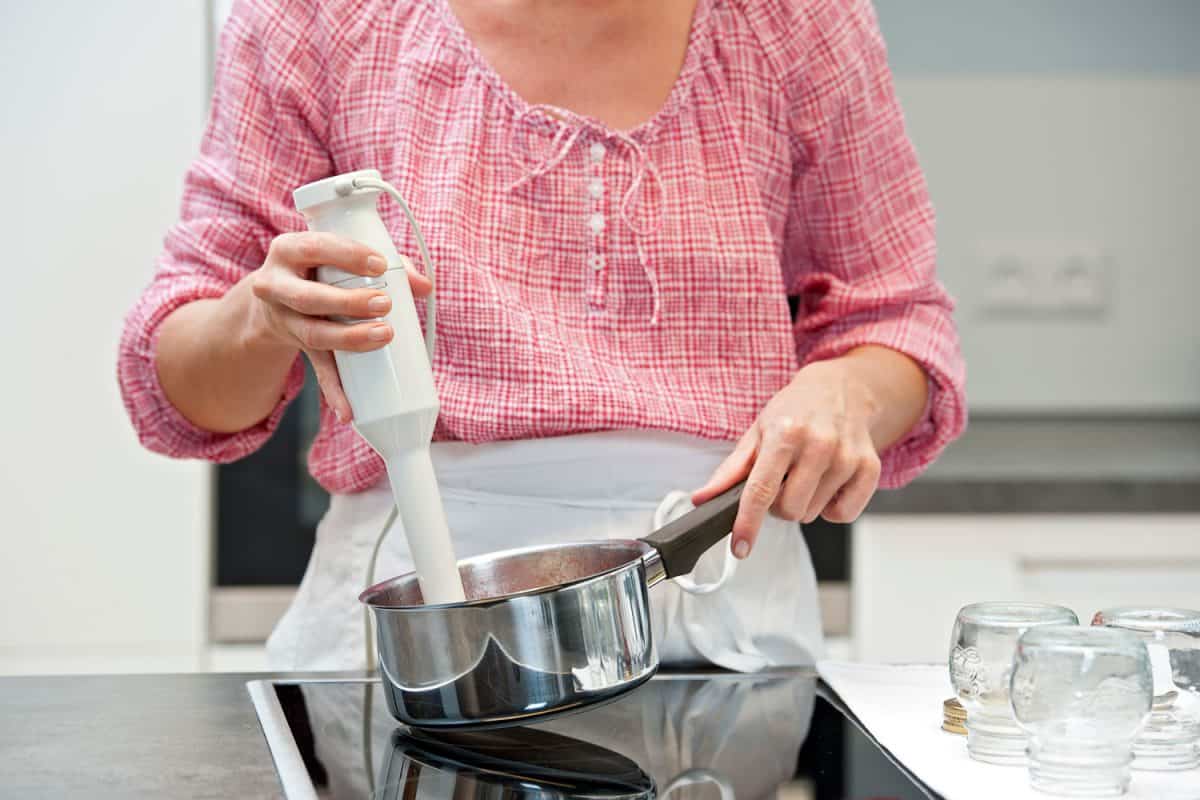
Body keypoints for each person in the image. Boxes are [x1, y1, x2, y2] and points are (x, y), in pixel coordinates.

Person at [119, 0, 966, 671]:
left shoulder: (795, 19)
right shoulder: (319, 17)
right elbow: (182, 387)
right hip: (417, 633)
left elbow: (897, 321)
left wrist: (843, 389)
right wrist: (260, 318)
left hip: (721, 624)